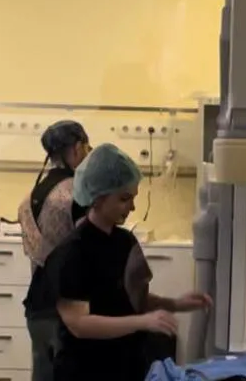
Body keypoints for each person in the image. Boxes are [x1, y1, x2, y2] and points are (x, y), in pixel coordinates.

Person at [45, 144, 212, 381]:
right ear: (97, 198)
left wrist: (175, 304)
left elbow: (134, 298)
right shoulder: (72, 253)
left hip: (125, 364)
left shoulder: (125, 242)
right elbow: (79, 324)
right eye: (124, 199)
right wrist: (141, 322)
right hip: (85, 369)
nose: (132, 207)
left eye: (133, 198)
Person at [16, 120, 90, 381]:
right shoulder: (77, 196)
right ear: (77, 148)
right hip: (68, 311)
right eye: (87, 147)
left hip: (36, 308)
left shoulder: (29, 197)